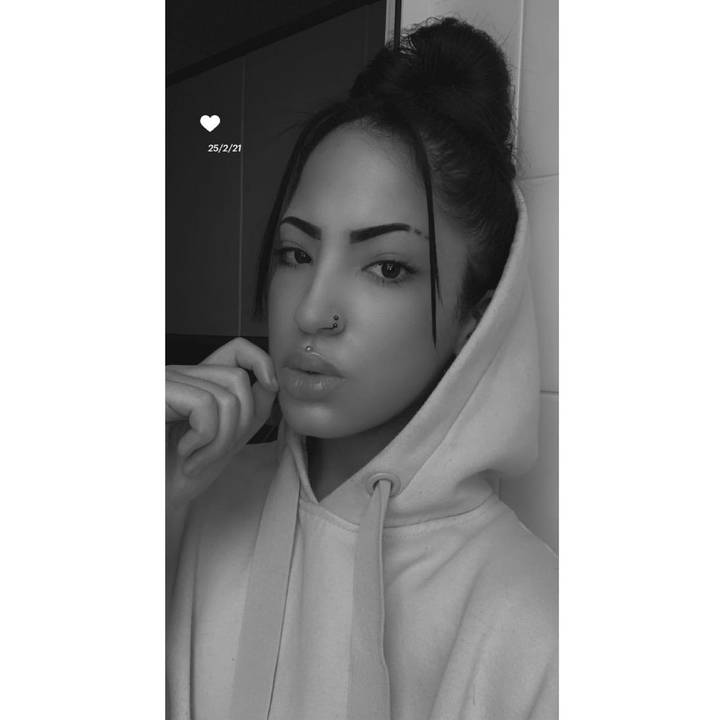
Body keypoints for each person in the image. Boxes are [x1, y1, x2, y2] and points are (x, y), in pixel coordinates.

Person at [166, 17, 557, 720]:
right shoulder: (193, 501)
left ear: (478, 313)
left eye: (387, 267)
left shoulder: (535, 621)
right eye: (295, 253)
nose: (313, 310)